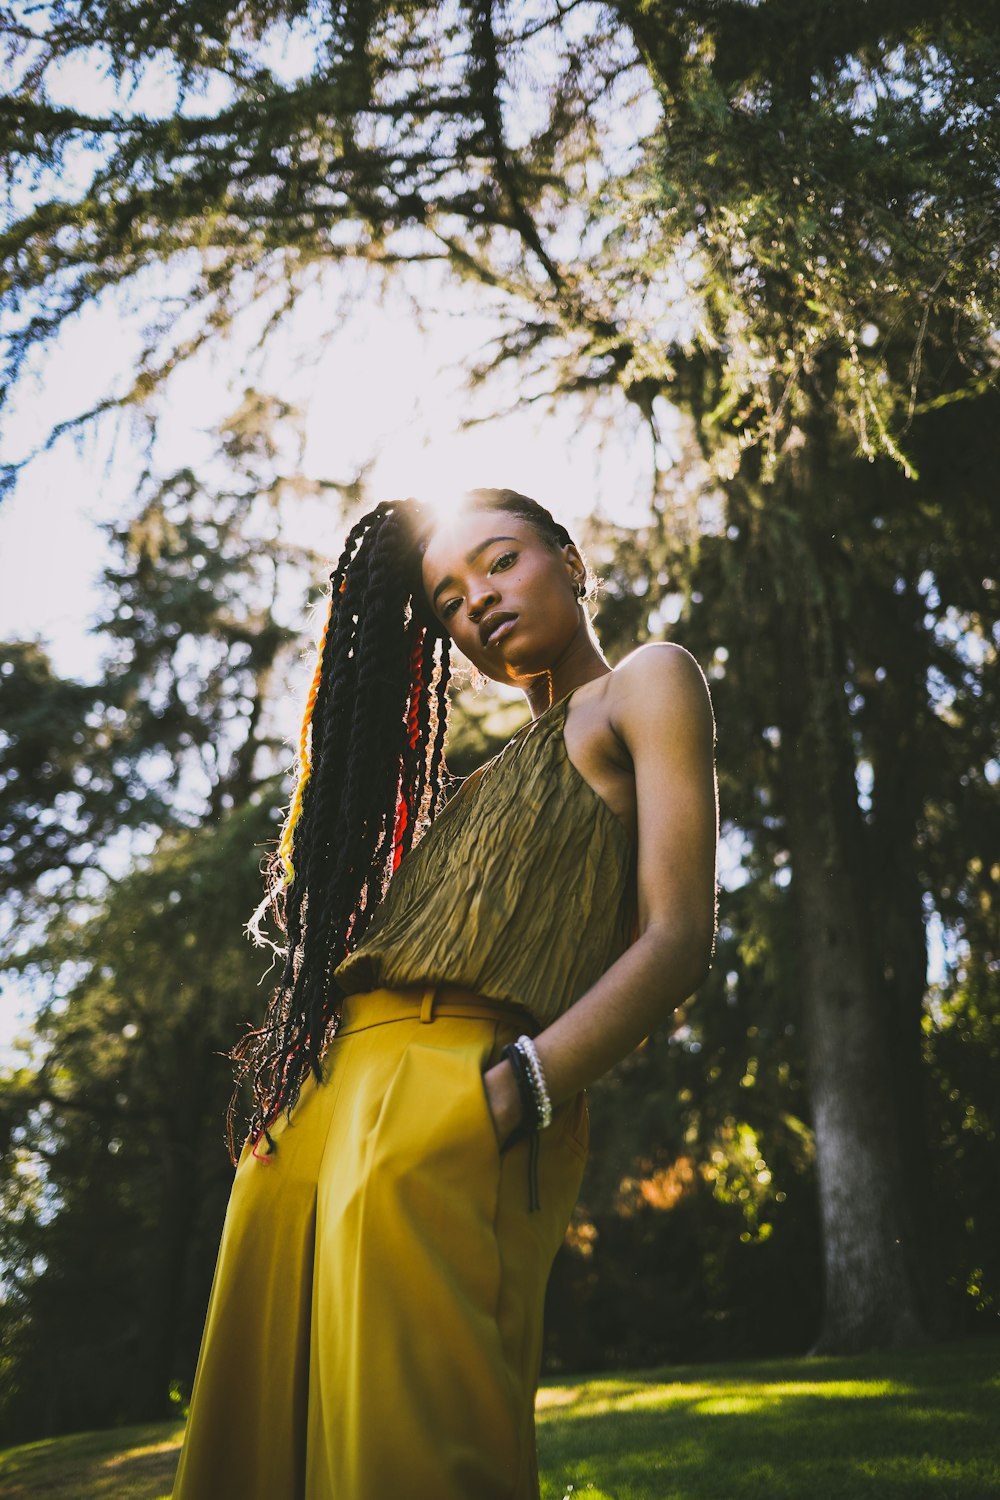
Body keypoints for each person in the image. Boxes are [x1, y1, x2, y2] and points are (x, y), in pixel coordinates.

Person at [172, 487, 718, 1500]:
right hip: (318, 1113)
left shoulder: (644, 684)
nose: (480, 602)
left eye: (500, 562)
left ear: (566, 557)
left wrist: (522, 1087)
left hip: (459, 1090)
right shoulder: (462, 793)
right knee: (258, 1448)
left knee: (413, 1444)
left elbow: (678, 938)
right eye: (451, 600)